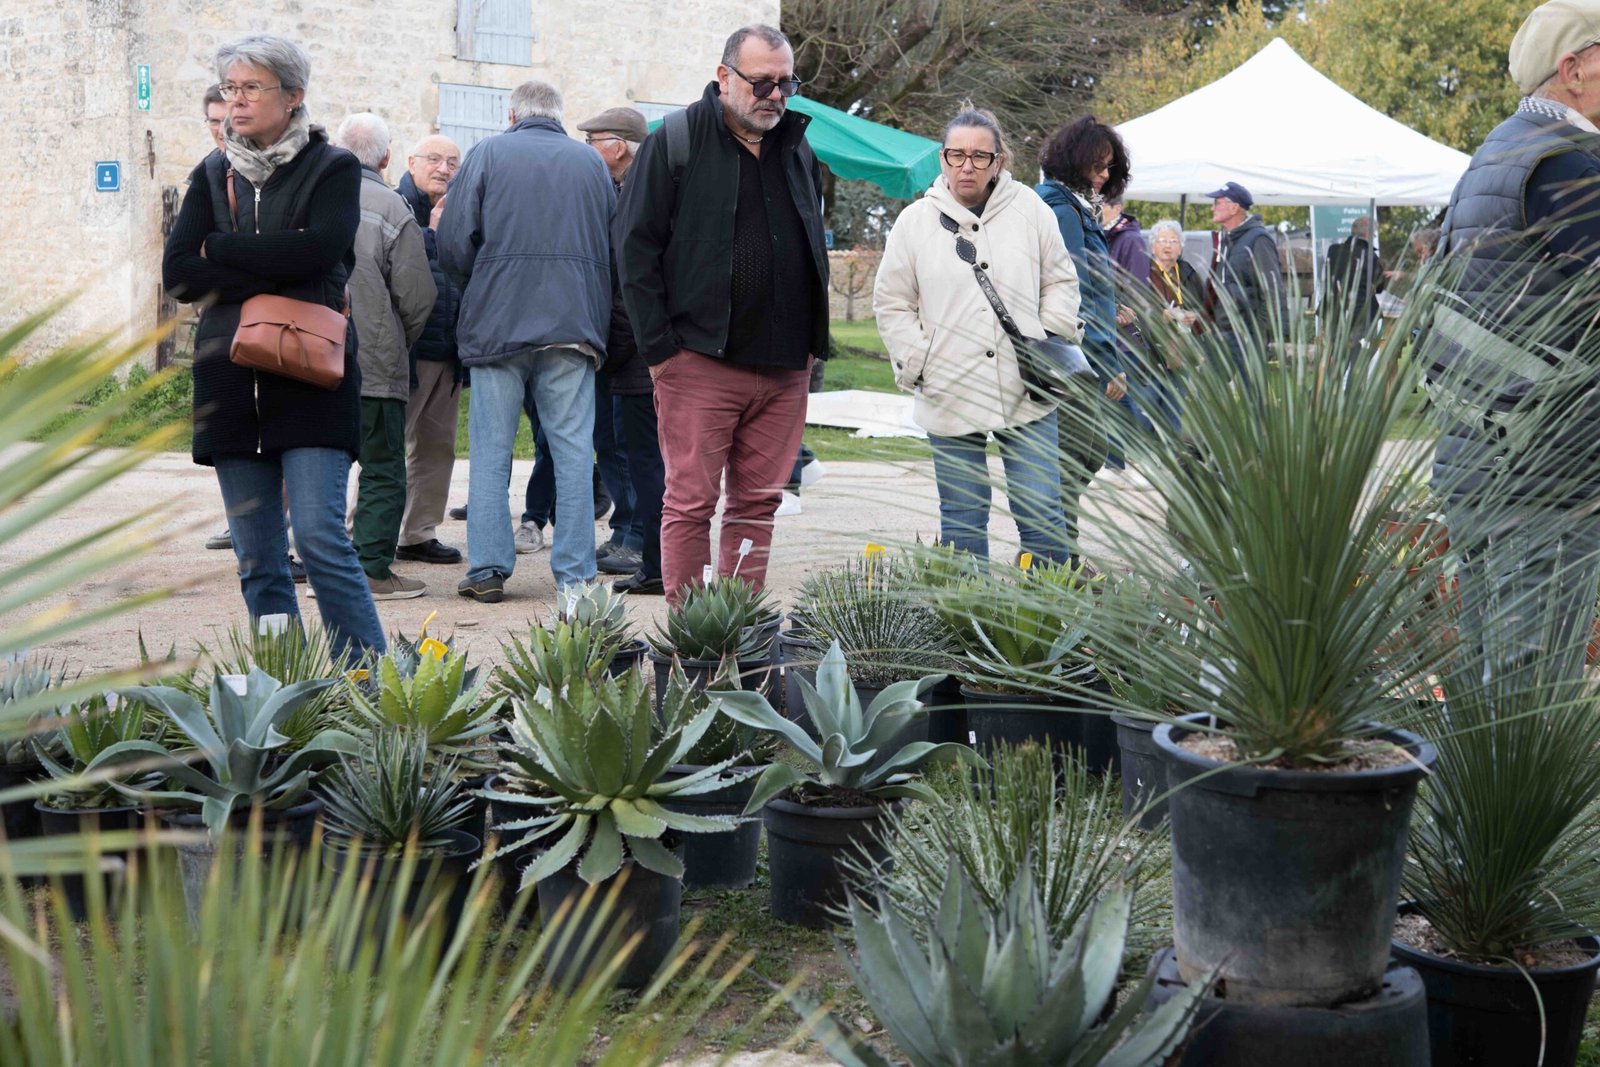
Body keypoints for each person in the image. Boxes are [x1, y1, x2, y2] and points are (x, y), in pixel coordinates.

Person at [162, 34, 383, 660]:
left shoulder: (332, 167)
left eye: (251, 88)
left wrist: (222, 249)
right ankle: (287, 682)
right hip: (230, 384)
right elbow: (179, 274)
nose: (235, 101)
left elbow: (321, 250)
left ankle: (367, 678)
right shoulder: (211, 172)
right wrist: (271, 271)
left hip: (312, 377)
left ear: (292, 96)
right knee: (257, 558)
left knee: (319, 540)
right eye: (229, 88)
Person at [615, 24, 828, 604]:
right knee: (690, 503)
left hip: (785, 366)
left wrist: (812, 346)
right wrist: (661, 352)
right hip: (699, 362)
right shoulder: (676, 141)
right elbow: (634, 251)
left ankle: (740, 632)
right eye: (762, 82)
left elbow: (811, 246)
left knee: (758, 505)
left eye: (787, 83)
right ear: (724, 76)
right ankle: (693, 636)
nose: (775, 95)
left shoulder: (798, 148)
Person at [1425, 0, 1600, 676]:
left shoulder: (1495, 155)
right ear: (1574, 70)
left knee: (1488, 682)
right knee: (1531, 690)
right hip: (1543, 481)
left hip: (1478, 463)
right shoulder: (1564, 165)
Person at [875, 104, 1081, 564]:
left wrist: (1048, 339)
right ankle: (969, 608)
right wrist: (921, 360)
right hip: (948, 386)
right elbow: (892, 302)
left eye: (979, 156)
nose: (966, 165)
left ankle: (1050, 605)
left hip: (1026, 387)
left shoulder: (1031, 209)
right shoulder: (914, 222)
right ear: (943, 158)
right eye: (956, 154)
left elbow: (1061, 281)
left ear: (998, 161)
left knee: (1042, 510)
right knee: (963, 516)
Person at [438, 78, 614, 603]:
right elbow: (614, 244)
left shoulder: (487, 153)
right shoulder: (592, 164)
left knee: (491, 451)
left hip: (498, 323)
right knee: (574, 452)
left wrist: (482, 286)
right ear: (559, 115)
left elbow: (454, 242)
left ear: (512, 114)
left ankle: (488, 568)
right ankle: (577, 573)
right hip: (573, 324)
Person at [336, 112, 436, 600]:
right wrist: (399, 339)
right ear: (387, 158)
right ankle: (371, 569)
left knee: (320, 466)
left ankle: (326, 567)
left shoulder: (309, 197)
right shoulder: (392, 206)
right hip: (372, 361)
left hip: (308, 357)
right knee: (382, 468)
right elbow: (417, 295)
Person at [579, 105, 666, 595]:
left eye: (593, 141)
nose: (588, 150)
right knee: (621, 448)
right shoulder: (621, 190)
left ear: (618, 147)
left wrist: (613, 345)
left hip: (636, 351)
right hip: (628, 348)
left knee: (643, 457)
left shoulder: (640, 193)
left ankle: (646, 552)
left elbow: (631, 283)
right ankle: (634, 539)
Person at [1035, 115, 1128, 562]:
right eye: (1099, 164)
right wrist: (1108, 363)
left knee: (1090, 452)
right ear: (1076, 160)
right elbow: (1073, 293)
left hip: (1083, 351)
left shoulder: (1075, 207)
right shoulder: (1061, 210)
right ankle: (1058, 560)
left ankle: (1058, 556)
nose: (1106, 174)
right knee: (1073, 457)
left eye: (1110, 166)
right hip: (1074, 356)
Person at [394, 134, 466, 566]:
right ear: (411, 161)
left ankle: (418, 533)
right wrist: (433, 234)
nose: (444, 169)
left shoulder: (461, 209)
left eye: (453, 163)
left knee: (438, 447)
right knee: (388, 447)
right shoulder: (396, 204)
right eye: (435, 159)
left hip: (449, 349)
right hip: (411, 348)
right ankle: (366, 533)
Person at [1206, 181, 1288, 372]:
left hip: (1247, 335)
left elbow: (1272, 289)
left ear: (1234, 208)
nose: (1212, 208)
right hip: (1224, 331)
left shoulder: (1258, 239)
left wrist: (1263, 333)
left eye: (1217, 203)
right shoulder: (1227, 239)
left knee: (1248, 390)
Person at [1323, 214, 1386, 339]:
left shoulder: (1333, 250)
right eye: (1373, 235)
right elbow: (1379, 287)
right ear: (1368, 234)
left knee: (1336, 349)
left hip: (1334, 313)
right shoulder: (1370, 256)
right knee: (1362, 350)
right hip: (1361, 315)